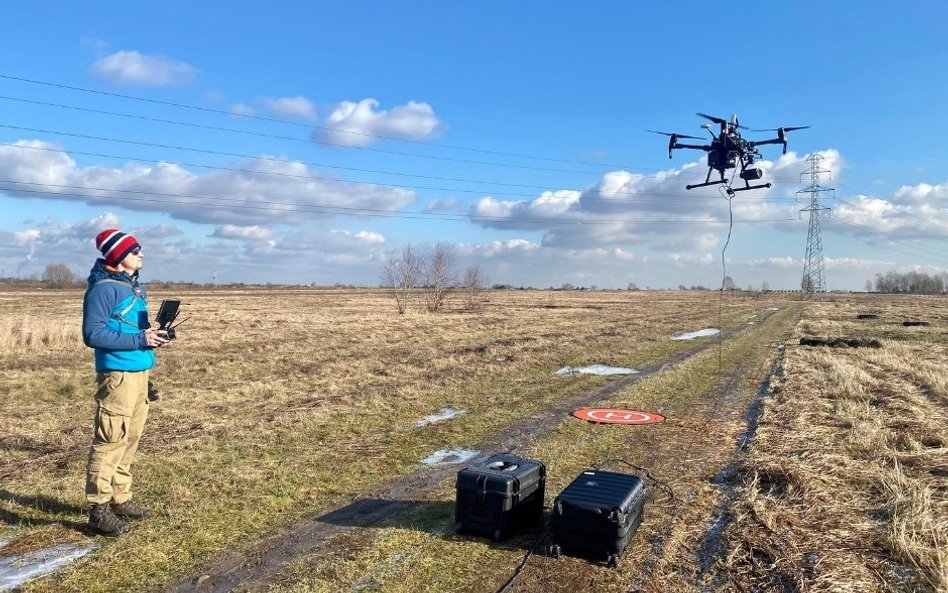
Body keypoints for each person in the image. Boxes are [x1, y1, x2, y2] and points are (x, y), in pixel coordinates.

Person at [82, 228, 168, 536]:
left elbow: (133, 332)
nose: (141, 255)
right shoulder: (104, 289)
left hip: (138, 373)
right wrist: (139, 338)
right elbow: (92, 334)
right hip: (117, 375)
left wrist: (153, 338)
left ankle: (121, 497)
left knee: (130, 438)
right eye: (135, 251)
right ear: (119, 257)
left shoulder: (134, 288)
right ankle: (98, 509)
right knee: (110, 440)